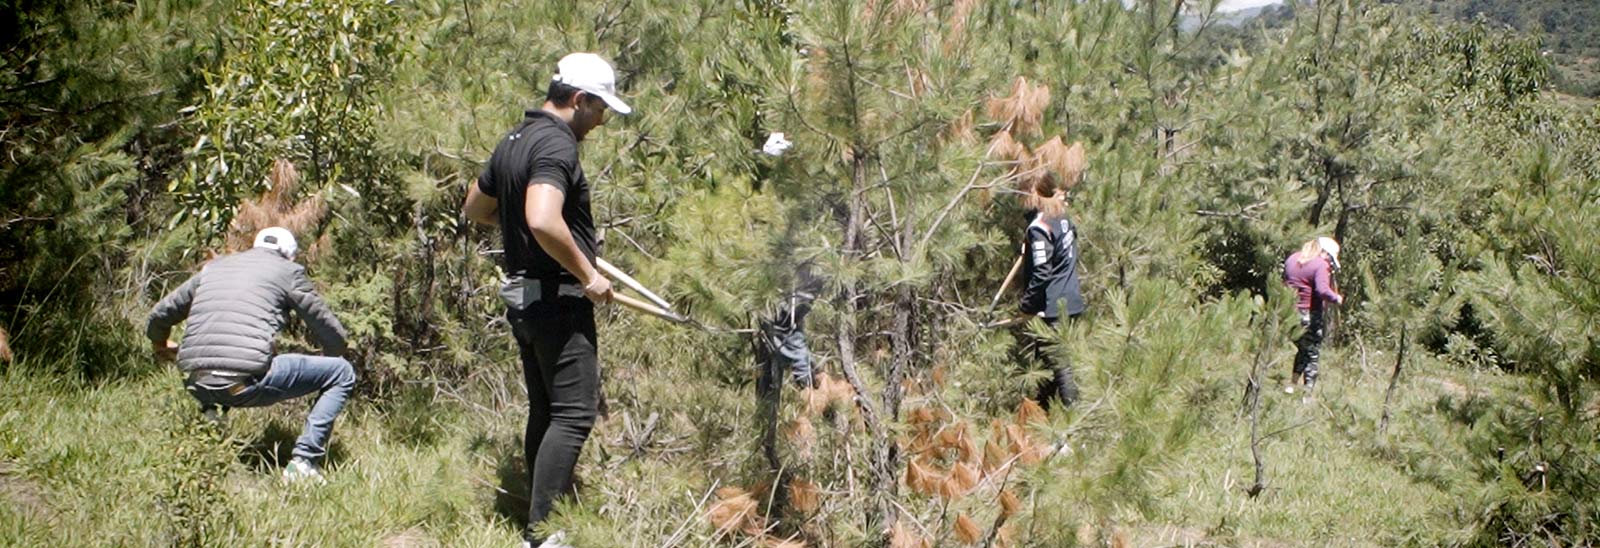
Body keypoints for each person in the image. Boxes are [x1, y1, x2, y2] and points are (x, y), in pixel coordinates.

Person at [461, 52, 631, 548]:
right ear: (579, 100)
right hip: (558, 299)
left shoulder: (514, 138)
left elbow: (476, 207)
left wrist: (531, 234)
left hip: (526, 300)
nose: (600, 121)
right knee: (575, 413)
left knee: (547, 408)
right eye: (599, 109)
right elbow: (540, 218)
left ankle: (536, 520)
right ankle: (541, 535)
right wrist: (587, 273)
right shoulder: (557, 145)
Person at [147, 226, 354, 483]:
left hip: (195, 381)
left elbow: (159, 315)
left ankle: (211, 419)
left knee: (226, 357)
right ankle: (304, 464)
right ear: (289, 256)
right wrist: (334, 356)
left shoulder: (215, 267)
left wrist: (160, 345)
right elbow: (330, 331)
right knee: (342, 373)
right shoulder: (288, 272)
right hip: (240, 385)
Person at [1017, 172, 1086, 410]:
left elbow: (1041, 273)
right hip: (1072, 303)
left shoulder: (1040, 228)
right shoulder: (1063, 218)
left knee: (1062, 368)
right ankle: (1042, 420)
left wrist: (1027, 306)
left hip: (1053, 308)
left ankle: (1073, 429)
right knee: (1047, 367)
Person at [1282, 236, 1344, 394]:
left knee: (1303, 349)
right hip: (1309, 314)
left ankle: (1292, 385)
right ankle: (1308, 394)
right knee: (1312, 354)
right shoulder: (1320, 264)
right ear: (1323, 251)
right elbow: (1322, 290)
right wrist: (1336, 298)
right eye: (1329, 258)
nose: (1329, 263)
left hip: (1290, 313)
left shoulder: (1292, 259)